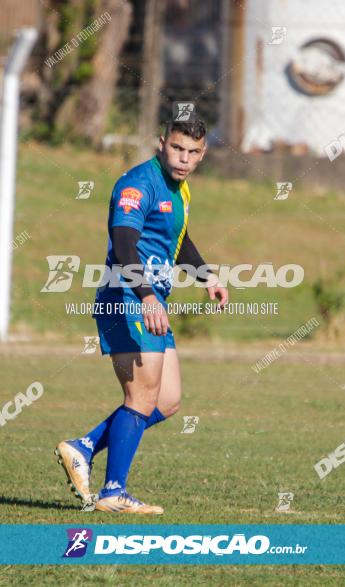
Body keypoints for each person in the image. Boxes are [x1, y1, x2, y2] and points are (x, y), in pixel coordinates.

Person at [54, 116, 228, 514]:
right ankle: (113, 492)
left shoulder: (178, 190)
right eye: (177, 148)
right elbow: (125, 242)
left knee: (166, 400)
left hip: (151, 300)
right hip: (127, 297)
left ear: (203, 154)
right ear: (162, 143)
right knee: (141, 396)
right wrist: (147, 295)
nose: (184, 158)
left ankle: (83, 447)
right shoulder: (137, 183)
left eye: (193, 152)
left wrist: (207, 275)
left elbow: (175, 240)